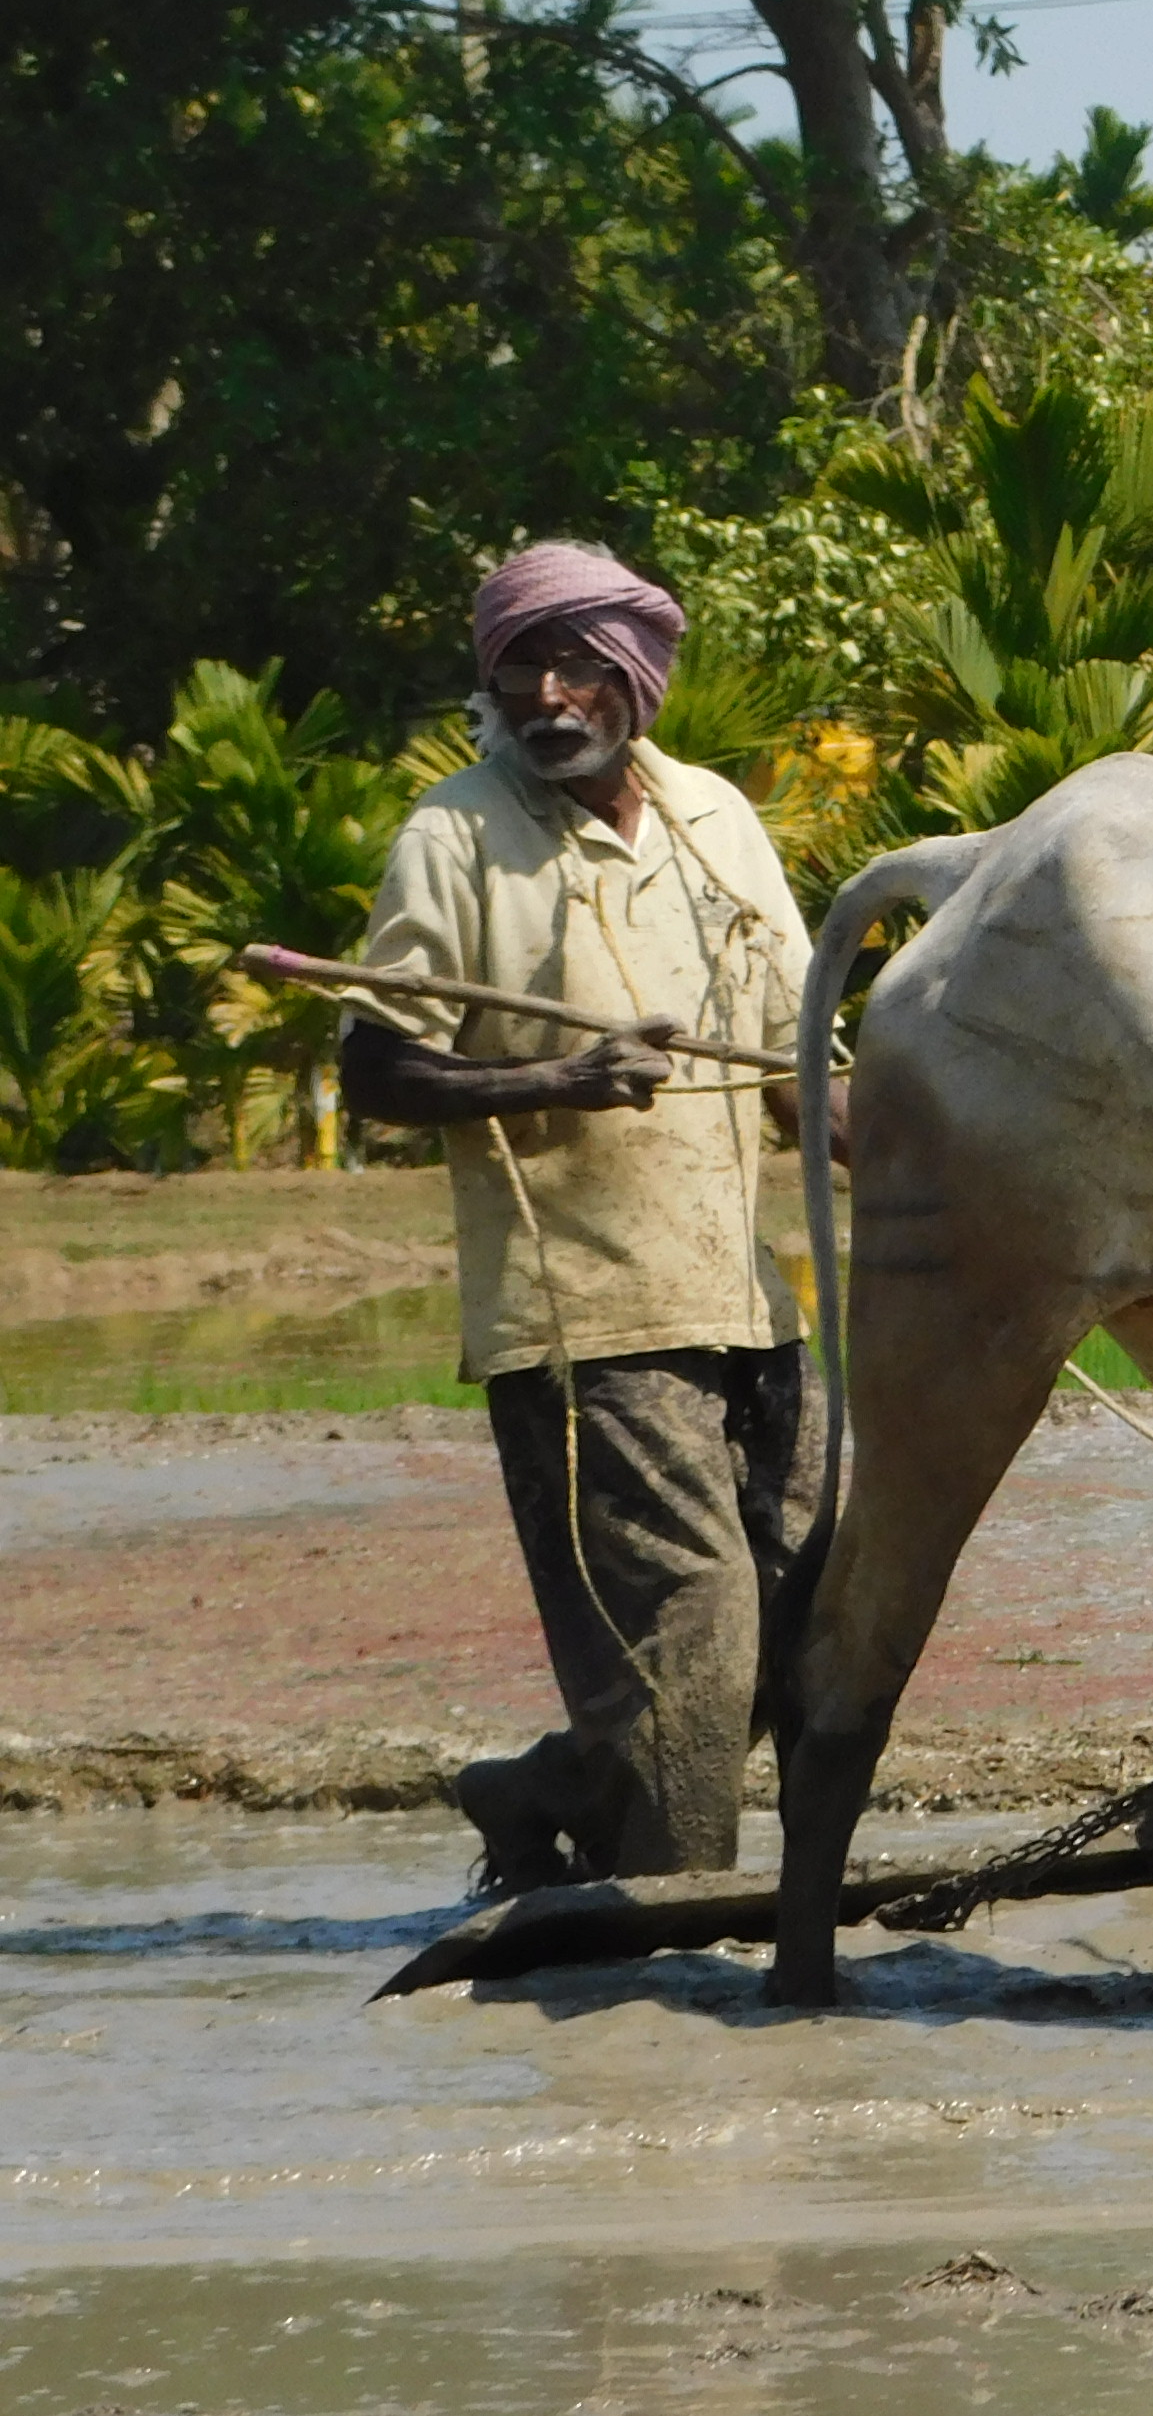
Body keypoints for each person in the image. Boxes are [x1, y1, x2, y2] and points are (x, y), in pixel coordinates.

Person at [339, 543, 832, 1892]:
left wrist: (856, 1124)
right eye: (522, 668)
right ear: (492, 681)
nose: (550, 693)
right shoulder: (454, 833)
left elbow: (798, 1049)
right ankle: (676, 1943)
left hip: (749, 1298)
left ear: (634, 675)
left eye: (577, 665)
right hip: (584, 1316)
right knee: (695, 1630)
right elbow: (374, 1069)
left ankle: (543, 1792)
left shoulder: (716, 817)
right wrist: (563, 1075)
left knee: (809, 1617)